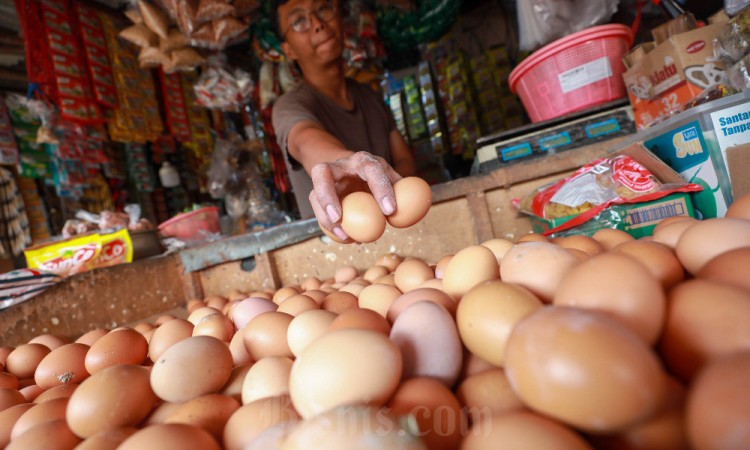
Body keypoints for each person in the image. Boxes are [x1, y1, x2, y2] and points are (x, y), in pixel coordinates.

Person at [271, 0, 416, 241]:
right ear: (288, 50)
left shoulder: (370, 95)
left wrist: (394, 201)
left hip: (397, 239)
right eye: (299, 21)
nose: (317, 24)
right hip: (335, 255)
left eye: (323, 9)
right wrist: (347, 164)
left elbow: (404, 159)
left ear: (341, 21)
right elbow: (305, 141)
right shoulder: (289, 106)